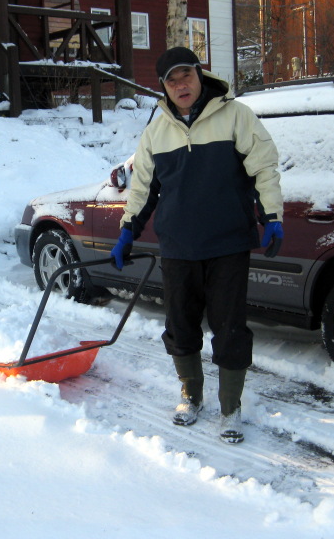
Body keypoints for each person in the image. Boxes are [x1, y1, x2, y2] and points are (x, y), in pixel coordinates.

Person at [110, 46, 283, 444]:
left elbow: (264, 167)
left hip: (228, 243)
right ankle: (191, 393)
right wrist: (127, 232)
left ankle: (230, 406)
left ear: (199, 74)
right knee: (180, 326)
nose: (181, 85)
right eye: (171, 80)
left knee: (230, 328)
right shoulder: (156, 133)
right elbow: (142, 190)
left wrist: (272, 216)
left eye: (186, 75)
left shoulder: (236, 116)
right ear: (164, 87)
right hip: (178, 247)